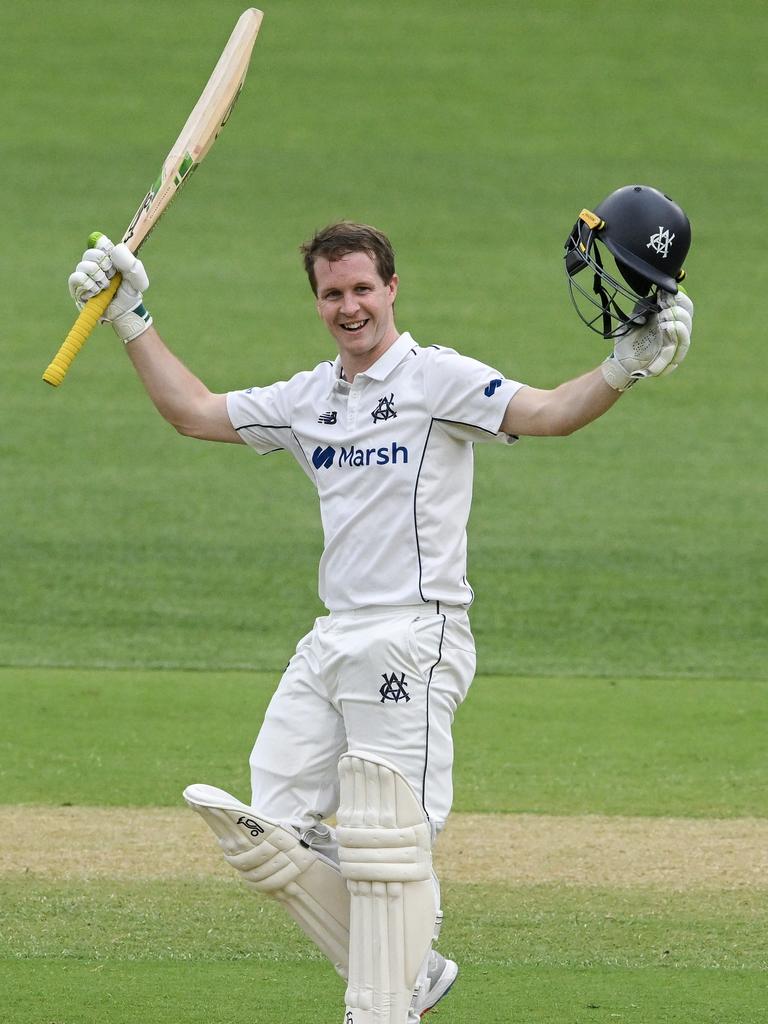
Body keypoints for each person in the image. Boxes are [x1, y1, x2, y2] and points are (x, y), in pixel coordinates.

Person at [68, 187, 693, 1023]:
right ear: (318, 303)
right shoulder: (307, 401)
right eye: (332, 293)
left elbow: (549, 414)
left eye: (362, 289)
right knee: (267, 836)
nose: (349, 306)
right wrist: (129, 315)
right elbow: (192, 411)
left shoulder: (438, 379)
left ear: (391, 288)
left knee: (389, 845)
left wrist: (625, 364)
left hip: (416, 633)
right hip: (332, 639)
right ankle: (413, 968)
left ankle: (383, 1003)